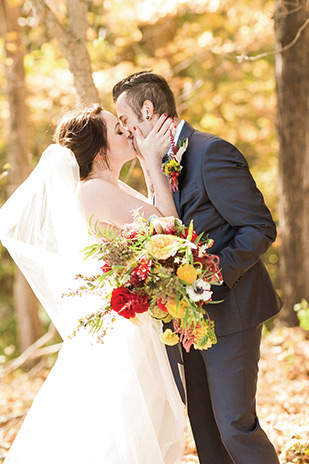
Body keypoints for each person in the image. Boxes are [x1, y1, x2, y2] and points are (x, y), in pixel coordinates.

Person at [113, 71, 283, 464]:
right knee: (205, 430)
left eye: (125, 120)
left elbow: (259, 227)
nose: (124, 130)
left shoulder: (210, 152)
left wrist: (210, 274)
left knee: (235, 427)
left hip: (231, 312)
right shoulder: (154, 163)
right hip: (184, 321)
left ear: (149, 110)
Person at [0, 104, 186, 464]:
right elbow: (169, 224)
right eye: (119, 131)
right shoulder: (92, 191)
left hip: (138, 325)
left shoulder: (112, 187)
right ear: (100, 150)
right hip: (125, 337)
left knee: (144, 427)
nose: (128, 133)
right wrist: (151, 160)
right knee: (121, 435)